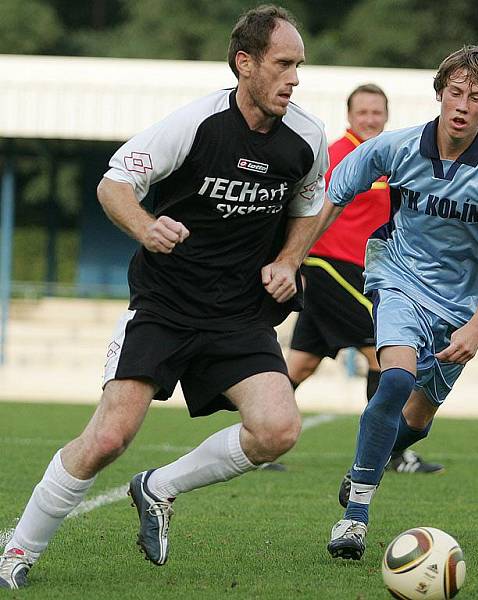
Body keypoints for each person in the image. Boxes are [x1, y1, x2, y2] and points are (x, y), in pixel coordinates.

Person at [0, 6, 328, 589]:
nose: (294, 78)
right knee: (107, 437)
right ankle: (19, 550)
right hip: (165, 305)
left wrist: (288, 260)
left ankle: (158, 487)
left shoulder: (306, 136)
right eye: (283, 64)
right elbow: (114, 183)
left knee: (277, 430)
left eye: (298, 66)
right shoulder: (195, 123)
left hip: (238, 315)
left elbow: (309, 203)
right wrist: (146, 226)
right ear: (244, 63)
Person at [310, 45, 478, 561]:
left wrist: (477, 327)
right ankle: (355, 516)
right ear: (439, 93)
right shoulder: (397, 147)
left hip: (463, 309)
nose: (462, 104)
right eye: (455, 91)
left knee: (416, 420)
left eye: (475, 97)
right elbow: (333, 196)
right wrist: (287, 255)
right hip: (400, 278)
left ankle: (365, 466)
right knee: (395, 378)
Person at [286, 84, 443, 477]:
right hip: (331, 266)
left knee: (301, 365)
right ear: (349, 116)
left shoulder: (390, 158)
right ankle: (389, 453)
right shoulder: (339, 155)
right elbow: (310, 205)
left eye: (377, 112)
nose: (370, 119)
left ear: (386, 116)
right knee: (384, 352)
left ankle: (254, 435)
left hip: (365, 270)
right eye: (363, 113)